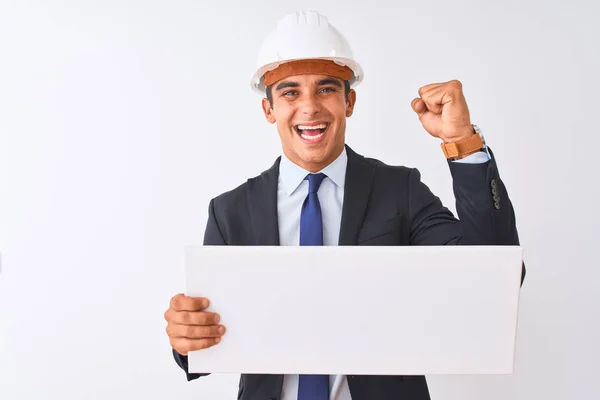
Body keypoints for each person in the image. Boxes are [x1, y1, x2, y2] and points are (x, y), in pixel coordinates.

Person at [163, 10, 525, 400]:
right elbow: (205, 341)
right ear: (269, 110)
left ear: (349, 102)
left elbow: (494, 276)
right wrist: (185, 338)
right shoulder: (229, 210)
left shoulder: (399, 189)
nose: (309, 107)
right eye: (289, 92)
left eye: (326, 89)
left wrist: (462, 144)